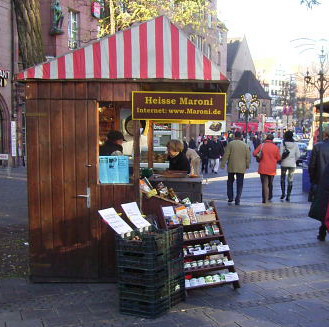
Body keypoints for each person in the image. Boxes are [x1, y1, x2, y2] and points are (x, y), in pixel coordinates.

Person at [308, 127, 329, 240]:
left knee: (323, 206)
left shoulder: (318, 146)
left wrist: (313, 181)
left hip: (321, 181)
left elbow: (312, 166)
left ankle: (322, 232)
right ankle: (322, 230)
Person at [220, 131, 251, 205]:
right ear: (241, 137)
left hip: (231, 166)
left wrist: (223, 164)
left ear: (234, 136)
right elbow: (248, 157)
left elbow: (226, 154)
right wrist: (247, 165)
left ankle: (230, 198)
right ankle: (238, 198)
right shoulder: (245, 145)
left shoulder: (231, 144)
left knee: (230, 182)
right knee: (240, 183)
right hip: (241, 167)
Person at [253, 133, 281, 204]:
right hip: (272, 169)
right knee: (270, 183)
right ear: (272, 139)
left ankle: (264, 198)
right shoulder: (276, 147)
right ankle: (270, 196)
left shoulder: (262, 145)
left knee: (264, 184)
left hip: (263, 168)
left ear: (266, 139)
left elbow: (254, 153)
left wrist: (260, 155)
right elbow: (279, 158)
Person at [308, 163, 329, 241]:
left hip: (324, 187)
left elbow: (312, 165)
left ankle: (322, 233)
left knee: (325, 212)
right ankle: (322, 232)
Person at [279, 130, 300, 201]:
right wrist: (294, 160)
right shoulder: (295, 144)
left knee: (282, 179)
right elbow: (298, 155)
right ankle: (288, 195)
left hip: (284, 163)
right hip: (292, 164)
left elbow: (280, 154)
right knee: (290, 180)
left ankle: (283, 193)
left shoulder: (283, 143)